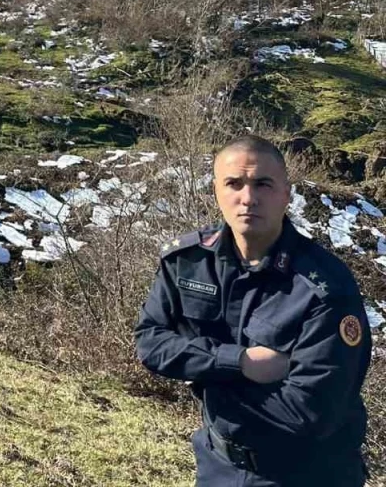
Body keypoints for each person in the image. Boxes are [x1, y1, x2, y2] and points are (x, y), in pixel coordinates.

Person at [135, 135, 372, 486]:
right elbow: (150, 342)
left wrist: (201, 375)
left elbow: (310, 412)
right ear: (216, 190)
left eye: (263, 183)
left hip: (308, 474)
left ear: (286, 193)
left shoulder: (325, 288)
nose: (248, 198)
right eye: (234, 183)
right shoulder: (187, 263)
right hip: (217, 466)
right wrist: (240, 362)